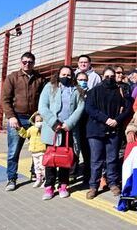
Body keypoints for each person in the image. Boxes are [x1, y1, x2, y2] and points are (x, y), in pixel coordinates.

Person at [85, 67, 134, 199]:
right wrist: (106, 119)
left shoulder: (120, 91)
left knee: (112, 159)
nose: (109, 79)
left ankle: (113, 183)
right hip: (96, 130)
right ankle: (93, 186)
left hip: (114, 129)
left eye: (112, 76)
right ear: (102, 77)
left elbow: (128, 109)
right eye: (107, 76)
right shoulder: (93, 91)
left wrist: (116, 120)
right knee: (96, 160)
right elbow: (90, 109)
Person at [1, 51, 46, 191]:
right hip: (17, 118)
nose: (27, 64)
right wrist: (11, 117)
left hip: (34, 119)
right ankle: (11, 179)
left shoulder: (40, 79)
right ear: (20, 62)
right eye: (24, 62)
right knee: (14, 151)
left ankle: (36, 174)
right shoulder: (12, 77)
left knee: (38, 148)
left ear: (34, 63)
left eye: (30, 62)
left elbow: (44, 100)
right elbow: (5, 100)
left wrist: (40, 115)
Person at [38, 65, 85, 200]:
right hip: (53, 130)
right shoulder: (49, 87)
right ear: (58, 75)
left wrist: (68, 123)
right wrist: (54, 122)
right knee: (51, 160)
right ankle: (49, 187)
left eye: (69, 75)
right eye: (63, 74)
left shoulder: (77, 90)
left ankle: (63, 185)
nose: (66, 77)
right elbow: (42, 106)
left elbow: (80, 108)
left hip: (68, 130)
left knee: (65, 159)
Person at [16, 112, 47, 188]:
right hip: (34, 152)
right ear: (34, 121)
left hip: (42, 151)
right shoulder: (31, 129)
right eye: (37, 121)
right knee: (36, 167)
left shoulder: (45, 129)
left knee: (43, 166)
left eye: (41, 121)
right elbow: (25, 134)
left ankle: (46, 179)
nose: (39, 123)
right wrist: (20, 129)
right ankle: (38, 179)